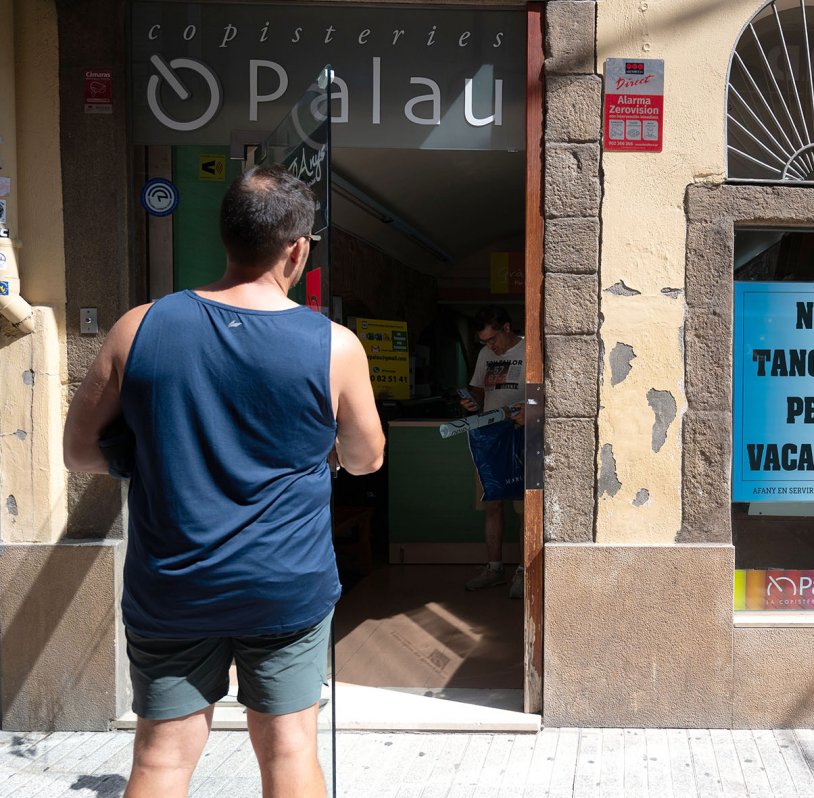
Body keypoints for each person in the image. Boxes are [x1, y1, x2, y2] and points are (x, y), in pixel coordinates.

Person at [63, 165, 385, 798]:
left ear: (227, 235)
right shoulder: (334, 346)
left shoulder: (139, 327)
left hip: (173, 584)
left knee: (160, 760)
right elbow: (367, 457)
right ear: (297, 250)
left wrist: (145, 460)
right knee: (290, 748)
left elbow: (80, 454)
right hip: (284, 584)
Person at [461, 305, 526, 598]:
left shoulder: (529, 349)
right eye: (485, 342)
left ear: (507, 328)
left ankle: (525, 573)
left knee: (527, 508)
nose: (490, 346)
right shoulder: (486, 355)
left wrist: (532, 412)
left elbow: (549, 391)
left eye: (493, 339)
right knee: (492, 503)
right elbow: (477, 389)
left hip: (521, 434)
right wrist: (471, 403)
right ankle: (494, 568)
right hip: (490, 434)